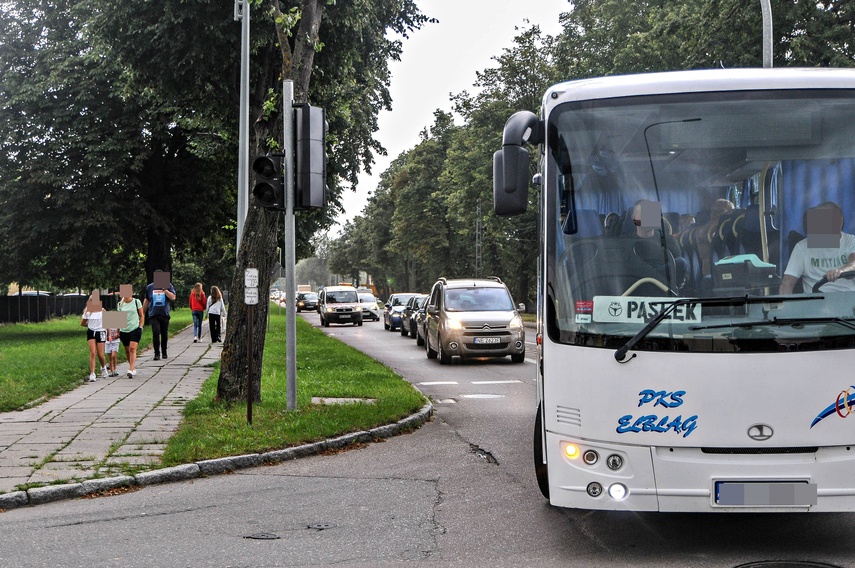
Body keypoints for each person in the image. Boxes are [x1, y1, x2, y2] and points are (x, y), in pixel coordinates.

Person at [780, 202, 855, 294]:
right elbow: (787, 284)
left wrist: (841, 271)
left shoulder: (851, 241)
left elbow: (853, 264)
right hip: (815, 300)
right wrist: (786, 303)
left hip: (848, 299)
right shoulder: (801, 247)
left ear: (839, 223)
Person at [628, 199, 688, 288]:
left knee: (681, 262)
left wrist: (683, 278)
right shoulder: (625, 241)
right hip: (633, 288)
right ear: (634, 218)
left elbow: (681, 271)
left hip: (664, 289)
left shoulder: (669, 240)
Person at [142, 270, 176, 361]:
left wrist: (165, 290)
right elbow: (147, 300)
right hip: (153, 314)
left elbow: (173, 297)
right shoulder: (150, 287)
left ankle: (164, 352)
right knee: (156, 332)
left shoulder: (169, 285)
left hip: (164, 314)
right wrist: (142, 312)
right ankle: (156, 353)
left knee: (164, 333)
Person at [117, 287, 144, 378]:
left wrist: (140, 326)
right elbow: (118, 318)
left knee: (132, 349)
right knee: (127, 351)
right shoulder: (120, 304)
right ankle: (132, 367)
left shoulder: (136, 302)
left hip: (135, 329)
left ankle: (131, 369)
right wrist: (117, 331)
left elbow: (141, 315)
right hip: (124, 330)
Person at [80, 292, 107, 383]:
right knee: (92, 352)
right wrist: (89, 325)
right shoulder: (88, 312)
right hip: (91, 332)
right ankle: (92, 373)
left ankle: (103, 367)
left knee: (100, 354)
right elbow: (82, 323)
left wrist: (109, 335)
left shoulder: (102, 310)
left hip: (101, 331)